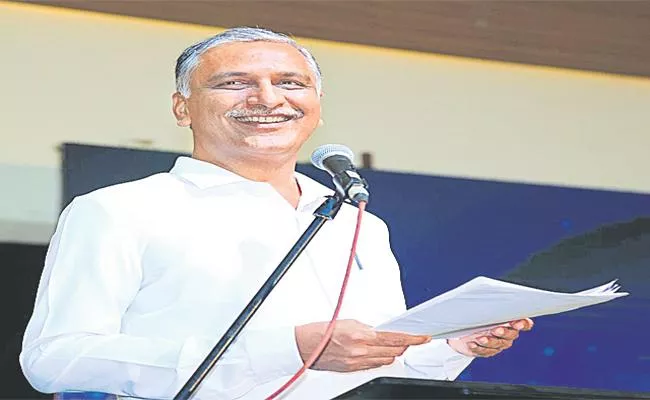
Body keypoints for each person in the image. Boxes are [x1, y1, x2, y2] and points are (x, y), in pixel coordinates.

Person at [20, 27, 533, 399]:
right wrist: (287, 349)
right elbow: (56, 360)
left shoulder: (357, 221)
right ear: (183, 108)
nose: (267, 98)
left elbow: (374, 371)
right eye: (233, 83)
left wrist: (455, 347)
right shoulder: (119, 210)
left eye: (291, 83)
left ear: (317, 104)